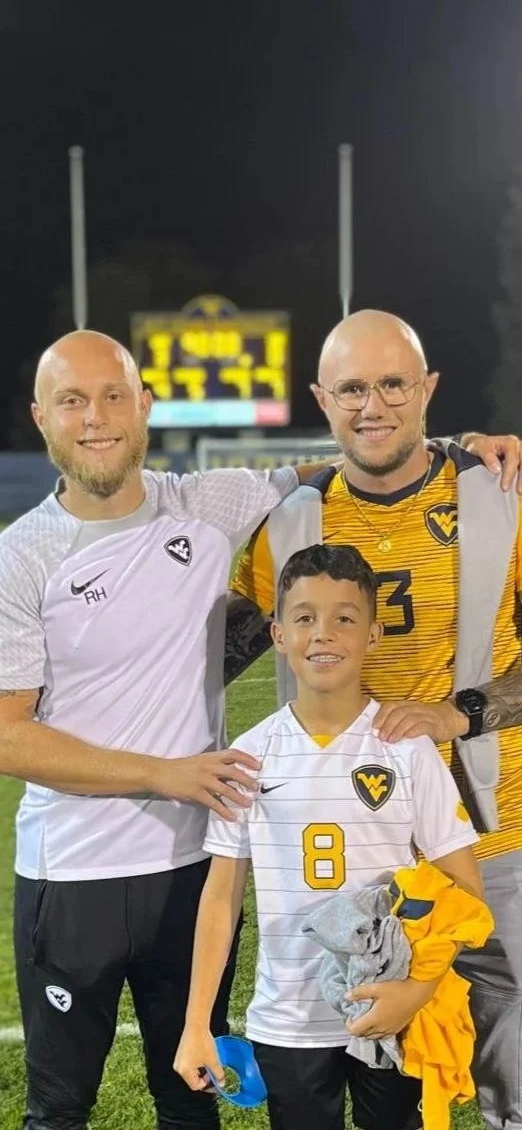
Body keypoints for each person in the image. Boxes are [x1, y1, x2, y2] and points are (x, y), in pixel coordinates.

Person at [0, 327, 340, 1130]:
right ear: (40, 416)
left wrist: (468, 445)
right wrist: (163, 772)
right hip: (70, 876)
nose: (96, 417)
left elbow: (352, 455)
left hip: (194, 871)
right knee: (60, 1109)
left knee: (192, 1100)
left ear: (145, 405)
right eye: (73, 400)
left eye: (114, 394)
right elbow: (8, 735)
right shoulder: (21, 557)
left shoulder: (203, 504)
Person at [227, 308, 522, 1130]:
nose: (373, 405)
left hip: (494, 837)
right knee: (361, 1066)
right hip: (348, 861)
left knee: (513, 1079)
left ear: (428, 388)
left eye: (394, 383)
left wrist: (459, 716)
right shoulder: (287, 522)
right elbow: (207, 659)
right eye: (352, 387)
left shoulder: (502, 492)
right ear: (323, 399)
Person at [175, 543, 485, 1130]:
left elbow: (465, 888)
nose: (324, 634)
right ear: (277, 634)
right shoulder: (248, 756)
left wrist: (416, 992)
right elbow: (219, 900)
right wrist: (196, 1024)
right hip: (288, 1017)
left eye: (345, 617)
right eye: (304, 618)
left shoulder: (408, 746)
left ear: (372, 635)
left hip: (390, 1003)